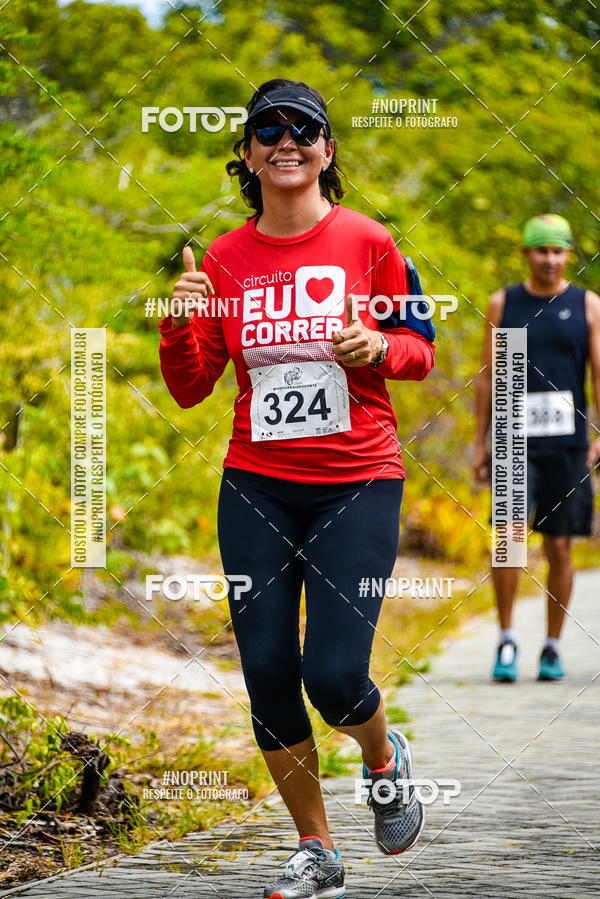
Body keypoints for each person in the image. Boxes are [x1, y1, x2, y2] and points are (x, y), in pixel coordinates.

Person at [158, 78, 435, 899]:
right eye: (268, 130)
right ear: (246, 153)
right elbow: (190, 385)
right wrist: (179, 324)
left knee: (336, 674)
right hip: (256, 485)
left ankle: (384, 759)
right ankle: (317, 848)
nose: (287, 141)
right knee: (270, 671)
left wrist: (377, 348)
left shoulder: (369, 241)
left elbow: (420, 347)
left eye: (303, 128)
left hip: (357, 479)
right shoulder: (222, 258)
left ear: (328, 147)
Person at [473, 214, 600, 683]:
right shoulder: (504, 303)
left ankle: (551, 646)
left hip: (567, 441)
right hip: (510, 436)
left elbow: (598, 374)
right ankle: (507, 639)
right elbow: (487, 376)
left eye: (559, 251)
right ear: (526, 254)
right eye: (541, 250)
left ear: (568, 255)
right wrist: (480, 441)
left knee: (560, 546)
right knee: (508, 542)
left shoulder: (587, 305)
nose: (550, 259)